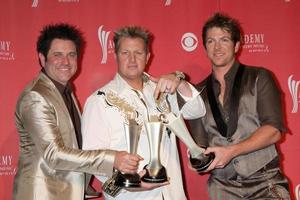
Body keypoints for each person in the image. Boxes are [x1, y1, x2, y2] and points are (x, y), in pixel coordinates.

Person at [13, 23, 142, 200]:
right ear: (42, 58)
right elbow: (54, 155)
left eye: (71, 55)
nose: (65, 62)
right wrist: (112, 158)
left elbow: (74, 144)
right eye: (57, 55)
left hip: (67, 192)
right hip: (43, 195)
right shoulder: (36, 96)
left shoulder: (64, 90)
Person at [81, 26, 206, 200]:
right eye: (125, 53)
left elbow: (197, 110)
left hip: (173, 193)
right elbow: (92, 160)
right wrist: (131, 184)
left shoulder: (162, 90)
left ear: (147, 56)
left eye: (138, 53)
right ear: (115, 55)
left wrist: (180, 82)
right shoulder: (99, 101)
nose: (132, 59)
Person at [188, 13, 291, 199]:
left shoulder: (259, 77)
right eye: (211, 41)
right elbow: (200, 143)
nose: (217, 47)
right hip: (221, 188)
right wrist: (197, 158)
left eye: (224, 40)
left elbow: (274, 130)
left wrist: (231, 152)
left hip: (265, 183)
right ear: (204, 47)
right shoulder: (197, 93)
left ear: (236, 45)